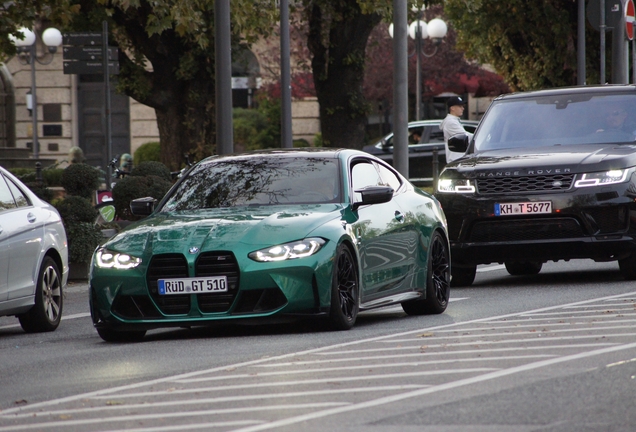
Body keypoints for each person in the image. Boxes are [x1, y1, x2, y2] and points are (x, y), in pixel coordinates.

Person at [439, 96, 474, 163]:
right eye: (460, 106)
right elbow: (465, 136)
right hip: (456, 160)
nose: (463, 108)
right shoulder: (451, 122)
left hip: (458, 159)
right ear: (452, 108)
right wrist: (480, 137)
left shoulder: (454, 120)